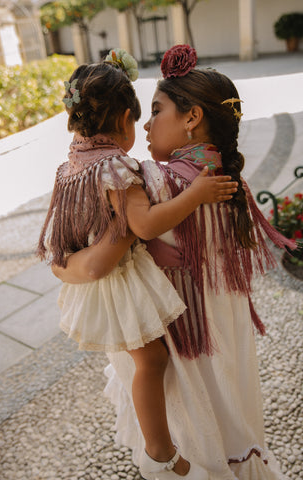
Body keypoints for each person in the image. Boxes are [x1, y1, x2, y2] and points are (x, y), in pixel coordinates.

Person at [52, 45, 296, 480]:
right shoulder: (223, 176)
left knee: (192, 417)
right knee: (227, 410)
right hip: (220, 323)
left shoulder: (157, 181)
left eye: (158, 109)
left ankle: (173, 457)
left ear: (192, 118)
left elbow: (105, 248)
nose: (145, 123)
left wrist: (62, 267)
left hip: (181, 328)